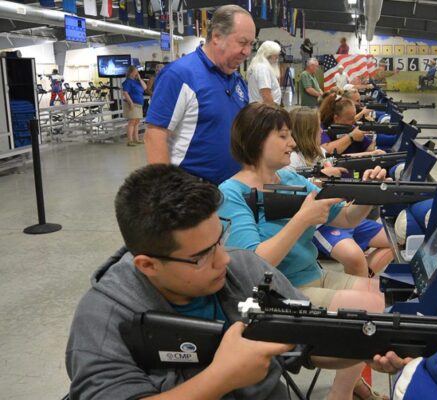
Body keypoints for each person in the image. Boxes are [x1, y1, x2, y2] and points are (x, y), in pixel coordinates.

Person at [65, 163, 408, 400]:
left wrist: (364, 347)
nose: (225, 259)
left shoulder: (242, 268)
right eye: (202, 255)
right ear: (147, 265)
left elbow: (308, 345)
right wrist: (222, 377)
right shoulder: (103, 317)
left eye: (221, 239)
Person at [218, 103, 391, 399]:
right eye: (283, 136)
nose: (293, 143)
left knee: (389, 301)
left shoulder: (289, 179)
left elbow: (345, 218)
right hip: (281, 293)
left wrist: (369, 194)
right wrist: (301, 220)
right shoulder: (231, 193)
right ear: (258, 139)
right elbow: (254, 266)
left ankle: (344, 391)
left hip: (315, 275)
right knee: (372, 314)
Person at [144, 5, 254, 185]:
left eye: (251, 44)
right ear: (217, 36)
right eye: (242, 42)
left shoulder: (237, 80)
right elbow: (155, 135)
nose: (247, 52)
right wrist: (164, 193)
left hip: (233, 190)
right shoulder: (179, 75)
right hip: (193, 194)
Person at [287, 107, 393, 277]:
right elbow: (293, 192)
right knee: (354, 257)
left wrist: (370, 154)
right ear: (307, 131)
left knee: (394, 241)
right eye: (317, 127)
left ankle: (364, 275)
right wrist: (320, 178)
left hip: (340, 213)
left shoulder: (316, 151)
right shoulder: (292, 160)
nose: (321, 130)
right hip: (320, 223)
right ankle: (359, 285)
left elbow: (339, 160)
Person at [247, 40, 282, 105]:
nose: (277, 58)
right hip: (266, 111)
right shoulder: (262, 68)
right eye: (275, 55)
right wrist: (273, 111)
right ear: (268, 55)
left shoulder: (259, 66)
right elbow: (266, 94)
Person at [122, 65, 146, 146]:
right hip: (132, 104)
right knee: (132, 122)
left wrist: (139, 78)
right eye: (136, 71)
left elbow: (145, 87)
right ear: (131, 72)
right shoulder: (128, 82)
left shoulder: (136, 81)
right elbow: (125, 93)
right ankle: (130, 140)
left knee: (137, 122)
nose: (137, 73)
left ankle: (136, 139)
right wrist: (131, 103)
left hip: (139, 104)